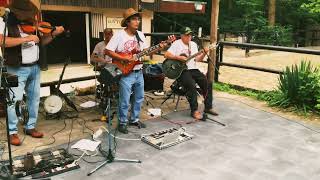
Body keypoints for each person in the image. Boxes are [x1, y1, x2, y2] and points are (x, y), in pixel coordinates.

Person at [0, 0, 64, 146]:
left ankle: (30, 127)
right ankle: (12, 132)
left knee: (34, 99)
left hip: (34, 67)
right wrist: (27, 38)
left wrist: (53, 34)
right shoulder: (4, 22)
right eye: (26, 15)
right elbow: (2, 41)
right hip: (16, 67)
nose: (30, 18)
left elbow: (41, 42)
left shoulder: (33, 26)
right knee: (14, 100)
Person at [106, 8, 171, 134]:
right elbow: (108, 51)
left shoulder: (140, 35)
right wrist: (124, 58)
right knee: (124, 100)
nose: (138, 21)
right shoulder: (119, 35)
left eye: (138, 19)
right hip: (126, 72)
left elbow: (147, 51)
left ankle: (134, 119)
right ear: (128, 22)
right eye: (134, 19)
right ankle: (122, 122)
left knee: (139, 98)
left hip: (138, 71)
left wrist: (161, 46)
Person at [164, 27, 219, 120]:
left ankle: (208, 107)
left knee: (208, 82)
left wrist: (205, 53)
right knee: (191, 85)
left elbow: (197, 59)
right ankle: (194, 110)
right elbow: (166, 55)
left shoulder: (193, 44)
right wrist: (178, 58)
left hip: (193, 69)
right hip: (182, 70)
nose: (189, 36)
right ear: (181, 35)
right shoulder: (177, 43)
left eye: (190, 35)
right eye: (186, 35)